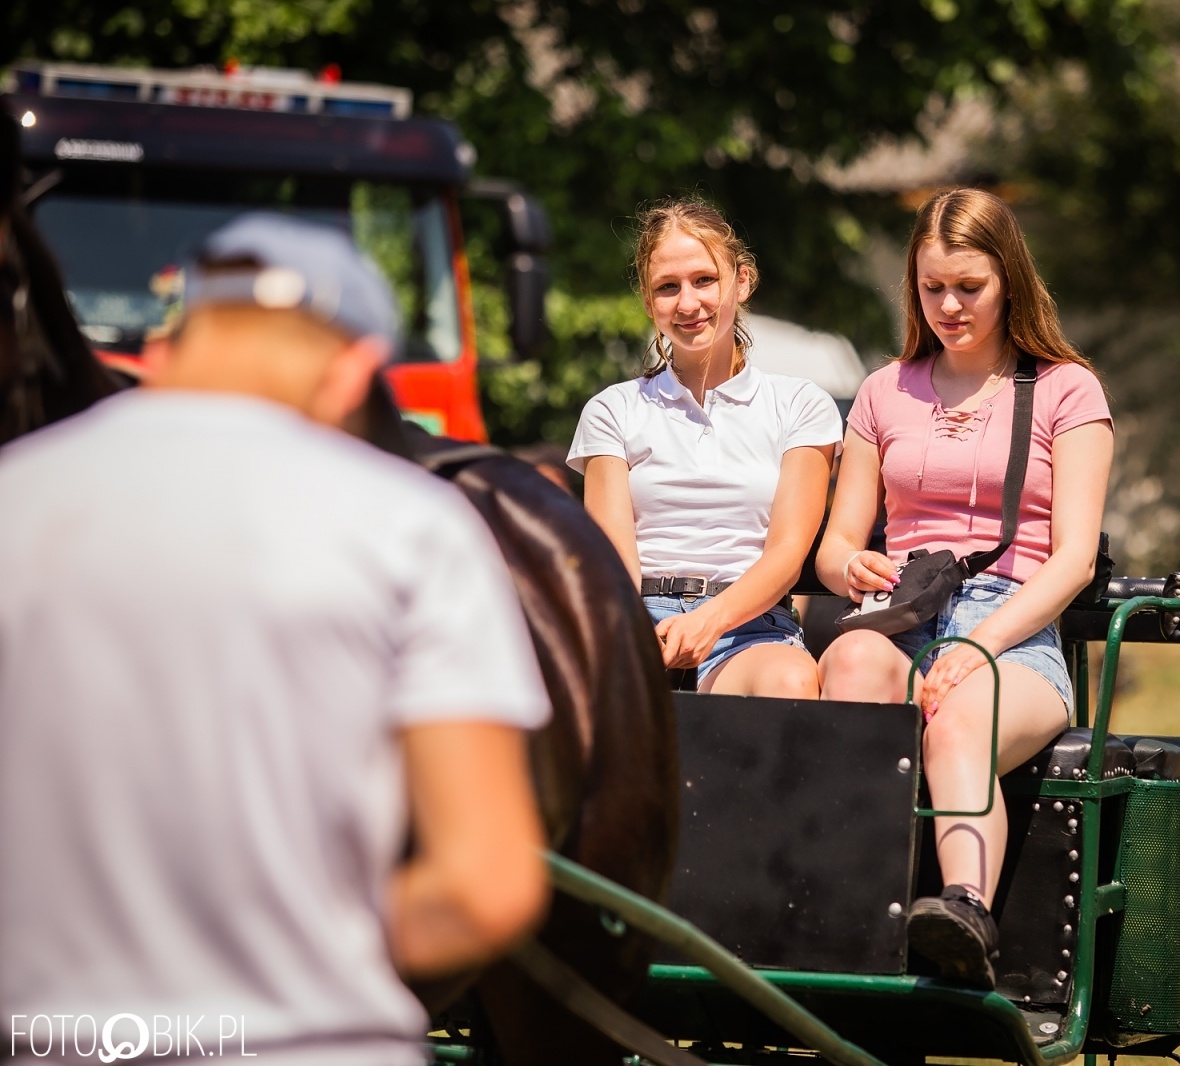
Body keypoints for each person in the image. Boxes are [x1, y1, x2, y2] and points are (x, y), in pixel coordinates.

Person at [0, 214, 551, 1063]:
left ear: (158, 354)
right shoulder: (410, 526)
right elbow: (485, 887)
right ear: (351, 374)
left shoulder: (15, 498)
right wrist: (287, 957)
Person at [815, 188, 1114, 988]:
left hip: (1014, 631)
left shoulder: (1065, 390)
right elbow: (837, 543)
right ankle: (844, 902)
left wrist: (981, 644)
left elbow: (1074, 559)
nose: (949, 306)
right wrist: (850, 566)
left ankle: (963, 914)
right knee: (844, 669)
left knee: (957, 721)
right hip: (905, 610)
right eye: (931, 287)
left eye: (968, 288)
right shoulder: (885, 390)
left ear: (1009, 279)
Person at [568, 198, 841, 696]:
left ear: (742, 281)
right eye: (667, 288)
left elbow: (786, 553)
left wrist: (709, 621)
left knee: (791, 680)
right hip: (637, 617)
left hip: (751, 627)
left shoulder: (800, 404)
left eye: (704, 280)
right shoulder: (613, 410)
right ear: (650, 304)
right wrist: (634, 636)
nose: (687, 303)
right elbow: (614, 558)